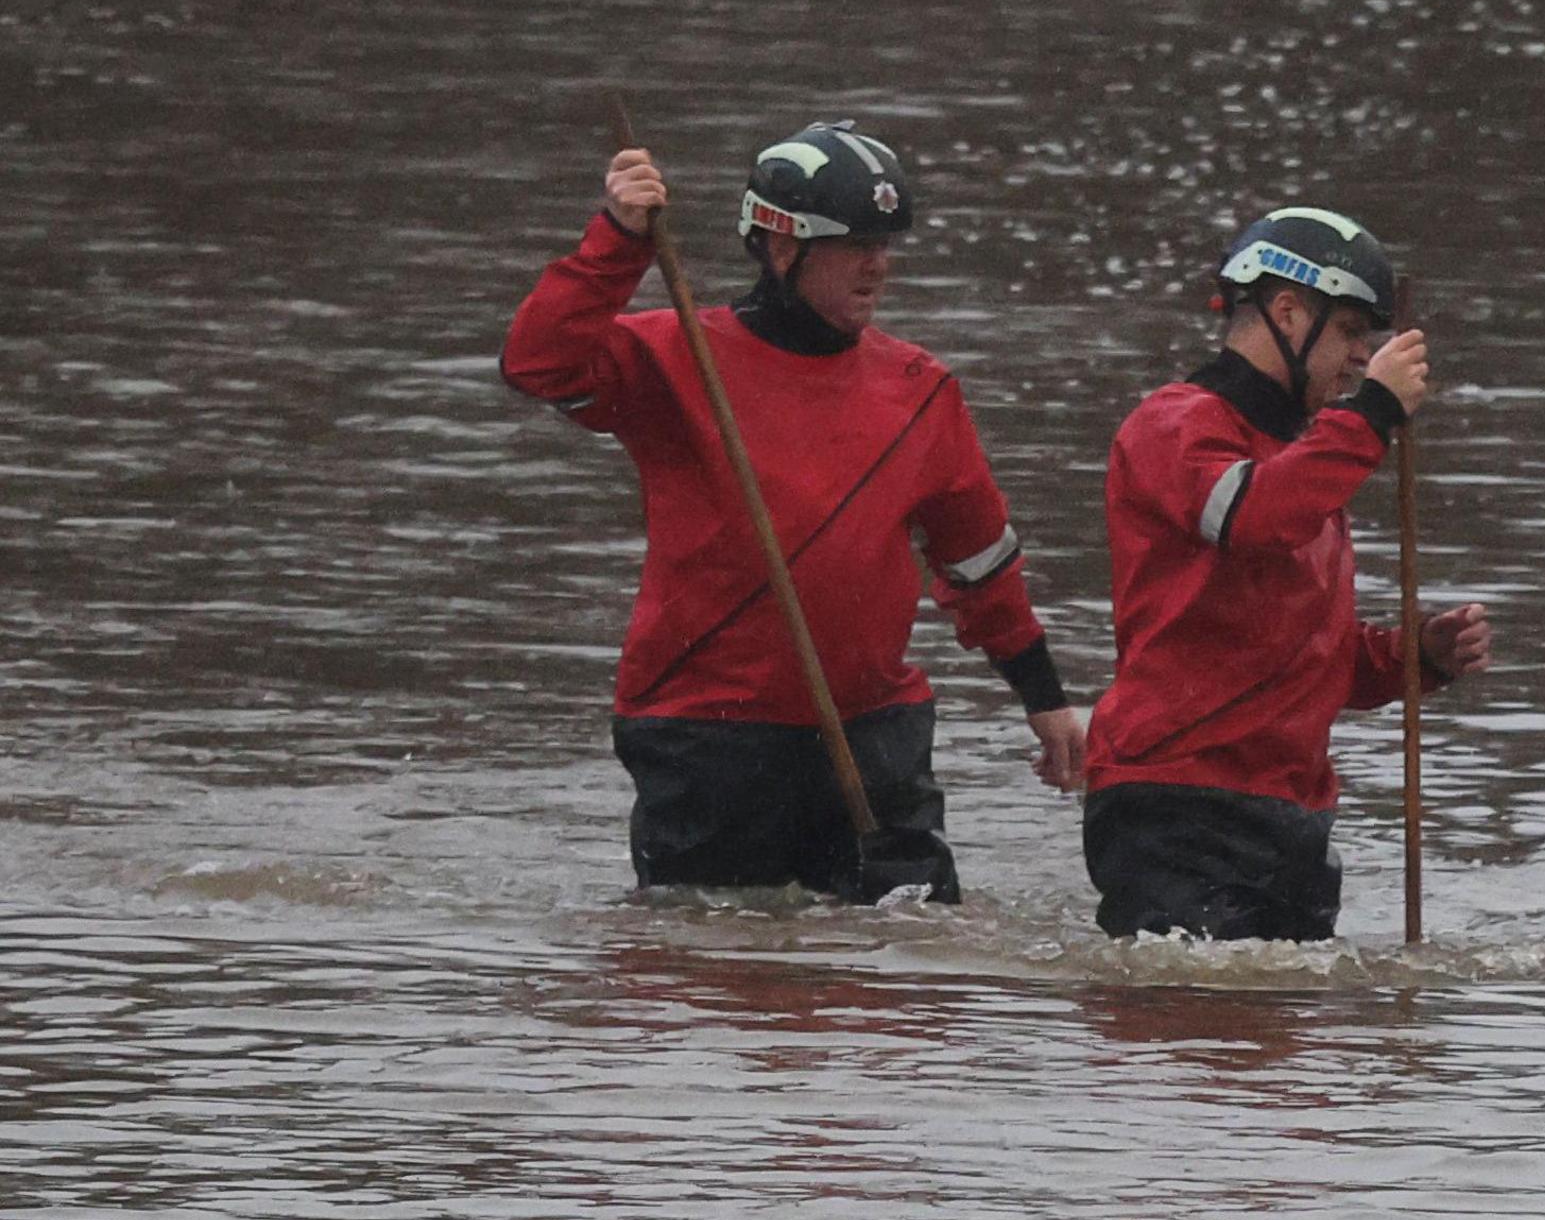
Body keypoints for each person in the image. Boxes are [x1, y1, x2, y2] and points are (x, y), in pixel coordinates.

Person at [501, 122, 1084, 901]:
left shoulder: (923, 389)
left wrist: (1044, 700)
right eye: (855, 245)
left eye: (886, 243)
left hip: (876, 736)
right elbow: (537, 363)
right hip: (705, 735)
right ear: (783, 248)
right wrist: (619, 239)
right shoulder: (675, 358)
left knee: (905, 988)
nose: (878, 265)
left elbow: (979, 562)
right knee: (714, 986)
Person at [1083, 206, 1491, 940]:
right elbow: (1250, 519)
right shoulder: (1173, 424)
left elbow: (1313, 660)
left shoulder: (1309, 467)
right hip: (1178, 804)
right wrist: (1370, 417)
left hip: (1289, 816)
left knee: (1286, 1042)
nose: (1362, 358)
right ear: (1287, 310)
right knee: (1196, 1037)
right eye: (1348, 333)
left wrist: (1414, 656)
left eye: (1368, 339)